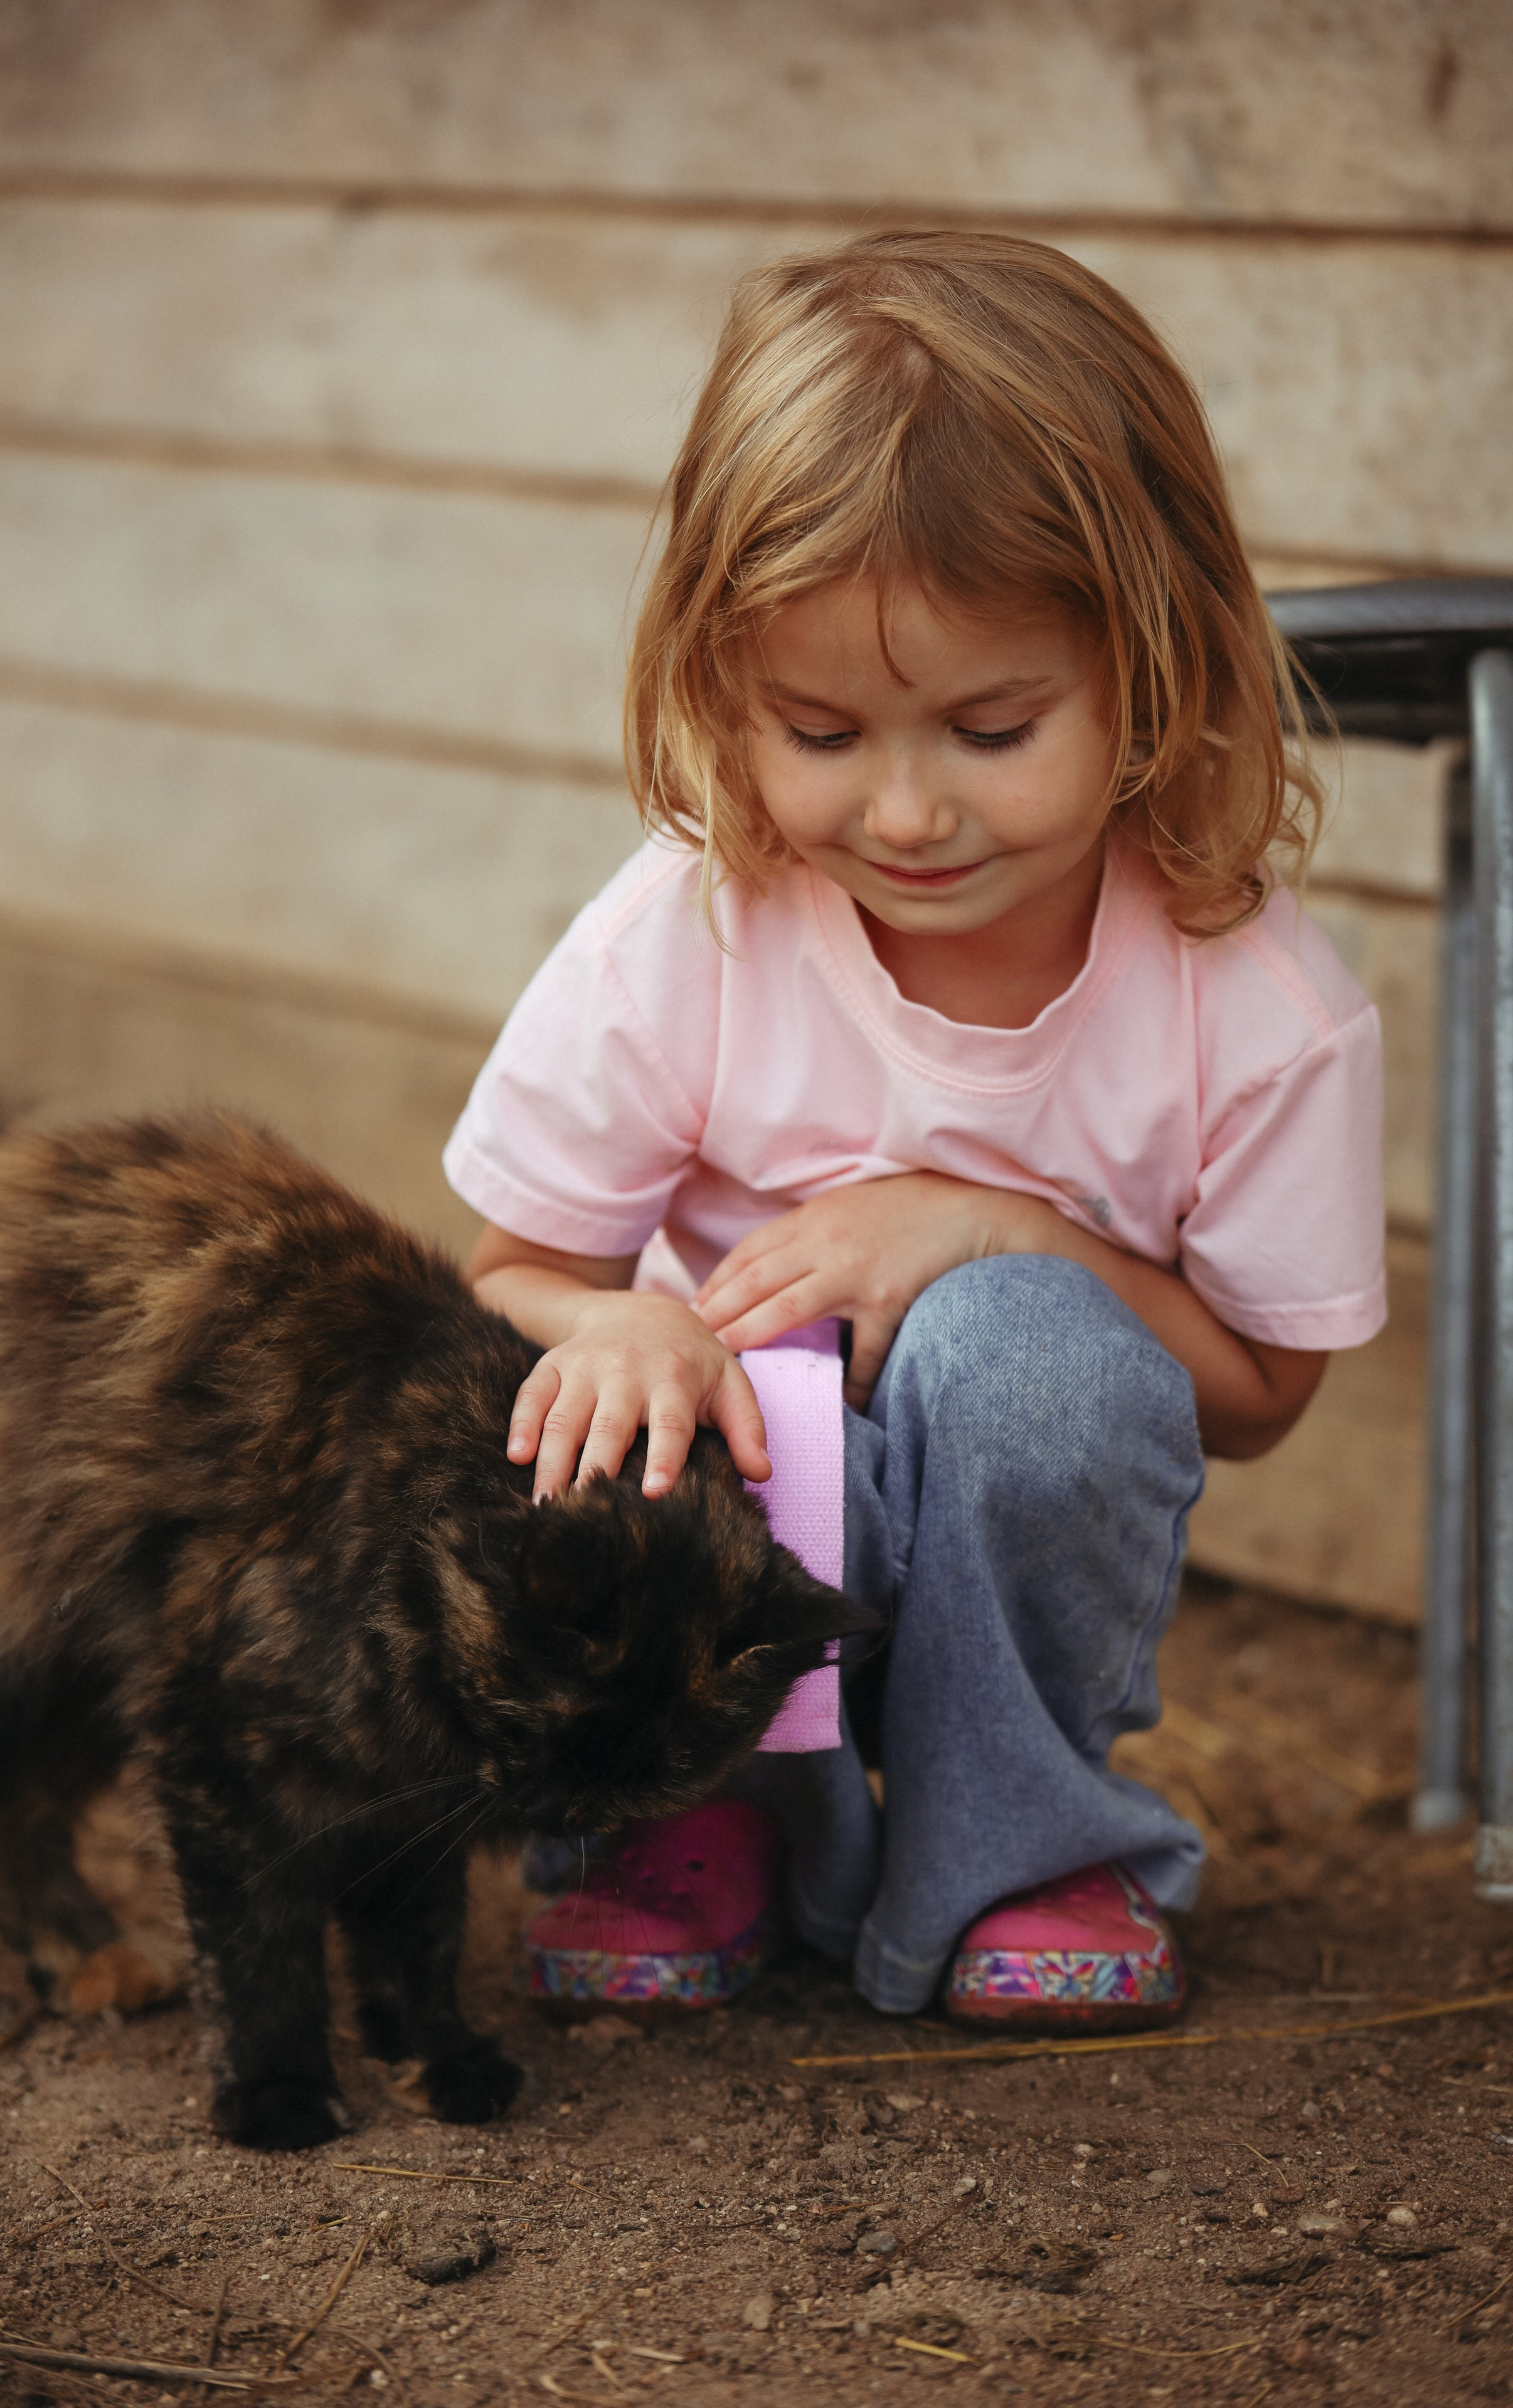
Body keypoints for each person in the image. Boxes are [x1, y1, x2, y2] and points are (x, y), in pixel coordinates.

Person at [443, 231, 1384, 2032]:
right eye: (819, 727)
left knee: (1033, 1351)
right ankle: (696, 1810)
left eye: (990, 724)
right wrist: (628, 1320)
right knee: (690, 1366)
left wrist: (1004, 1229)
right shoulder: (695, 925)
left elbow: (1257, 1402)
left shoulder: (1247, 1002)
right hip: (733, 1547)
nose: (904, 808)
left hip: (1015, 1532)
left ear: (1152, 660)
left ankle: (1021, 1845)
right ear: (725, 685)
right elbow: (508, 1280)